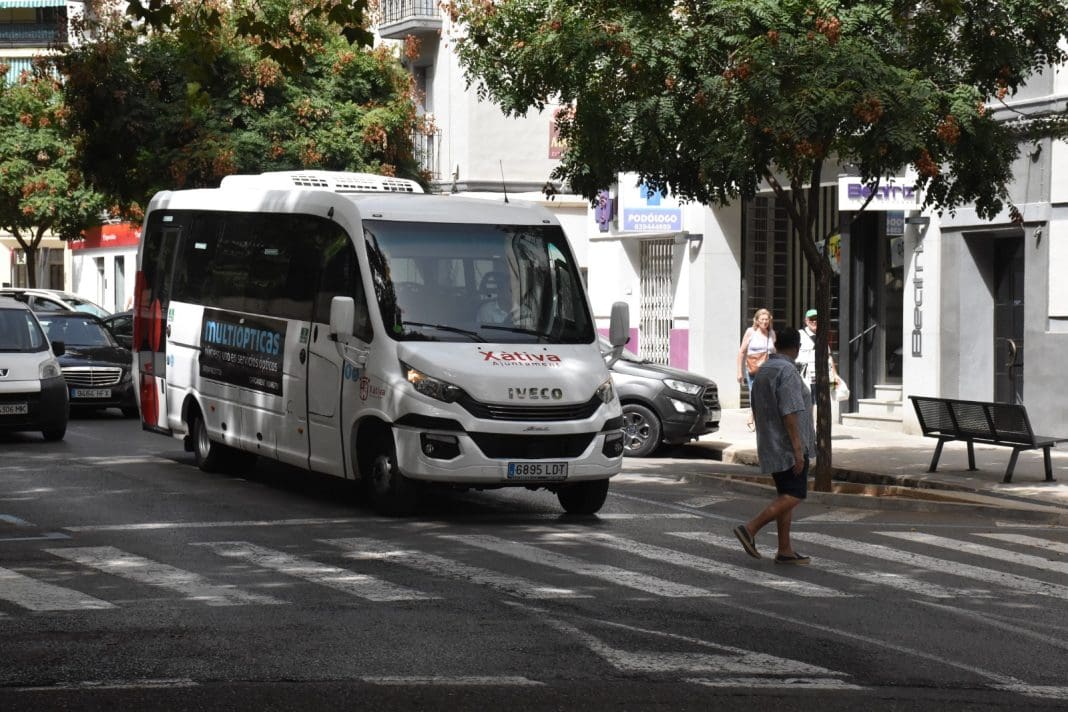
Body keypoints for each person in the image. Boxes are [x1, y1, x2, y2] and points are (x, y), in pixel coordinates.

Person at [732, 326, 816, 565]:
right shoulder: (787, 371)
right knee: (795, 494)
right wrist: (798, 450)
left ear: (777, 344)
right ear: (797, 348)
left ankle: (785, 549)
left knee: (784, 495)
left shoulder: (765, 369)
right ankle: (750, 528)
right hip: (788, 445)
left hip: (771, 442)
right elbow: (789, 412)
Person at [736, 308, 775, 432]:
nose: (764, 322)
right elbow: (741, 352)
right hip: (753, 369)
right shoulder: (751, 332)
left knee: (766, 395)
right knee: (755, 394)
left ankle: (755, 418)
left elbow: (775, 352)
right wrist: (739, 372)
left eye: (766, 319)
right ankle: (753, 418)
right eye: (762, 319)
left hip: (768, 370)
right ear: (757, 320)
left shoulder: (771, 333)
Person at [797, 308, 840, 401]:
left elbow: (829, 356)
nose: (814, 321)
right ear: (806, 321)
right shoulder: (799, 335)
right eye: (811, 319)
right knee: (809, 403)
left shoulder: (823, 335)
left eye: (816, 319)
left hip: (825, 377)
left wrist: (835, 375)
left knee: (831, 398)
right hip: (806, 379)